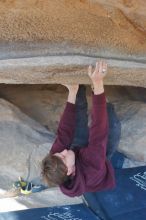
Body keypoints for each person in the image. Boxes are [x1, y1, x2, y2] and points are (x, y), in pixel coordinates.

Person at [41, 60, 121, 197]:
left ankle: (80, 87)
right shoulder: (93, 167)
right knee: (110, 122)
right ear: (69, 171)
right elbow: (98, 130)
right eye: (63, 156)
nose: (64, 151)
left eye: (60, 154)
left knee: (76, 102)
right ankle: (99, 94)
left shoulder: (56, 160)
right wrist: (98, 83)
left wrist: (72, 92)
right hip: (98, 159)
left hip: (78, 155)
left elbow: (64, 132)